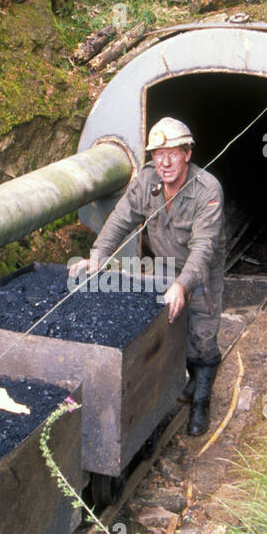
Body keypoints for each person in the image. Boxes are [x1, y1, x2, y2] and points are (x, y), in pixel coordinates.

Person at [88, 117, 225, 436]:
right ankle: (186, 382)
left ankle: (201, 402)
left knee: (203, 338)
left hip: (200, 272)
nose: (164, 162)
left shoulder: (208, 189)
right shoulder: (146, 182)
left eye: (172, 153)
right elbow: (121, 219)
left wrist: (182, 285)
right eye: (157, 154)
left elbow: (204, 247)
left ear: (187, 153)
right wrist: (98, 254)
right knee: (171, 327)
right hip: (163, 269)